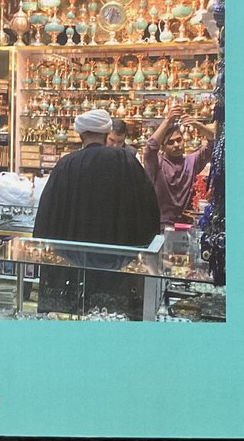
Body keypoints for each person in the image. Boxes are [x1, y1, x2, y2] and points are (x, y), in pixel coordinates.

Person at [33, 108, 160, 318]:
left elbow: (46, 216)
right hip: (118, 268)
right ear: (106, 133)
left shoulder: (66, 164)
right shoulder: (126, 161)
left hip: (73, 270)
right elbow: (148, 210)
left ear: (80, 135)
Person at [144, 104, 215, 228]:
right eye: (170, 142)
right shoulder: (157, 164)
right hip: (161, 225)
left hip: (187, 225)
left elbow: (214, 142)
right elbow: (150, 147)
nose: (176, 145)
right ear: (163, 147)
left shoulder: (192, 161)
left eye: (179, 140)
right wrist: (168, 120)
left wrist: (197, 125)